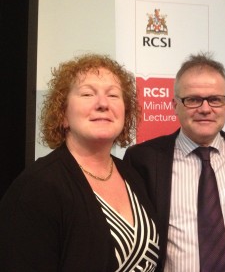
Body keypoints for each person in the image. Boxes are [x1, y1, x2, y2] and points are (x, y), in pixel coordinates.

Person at [0, 54, 159, 271]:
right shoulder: (37, 187)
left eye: (113, 95)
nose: (103, 104)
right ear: (62, 114)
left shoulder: (131, 174)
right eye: (87, 94)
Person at [124, 53, 225, 271]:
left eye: (215, 99)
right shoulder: (143, 159)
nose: (205, 109)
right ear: (174, 105)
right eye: (193, 99)